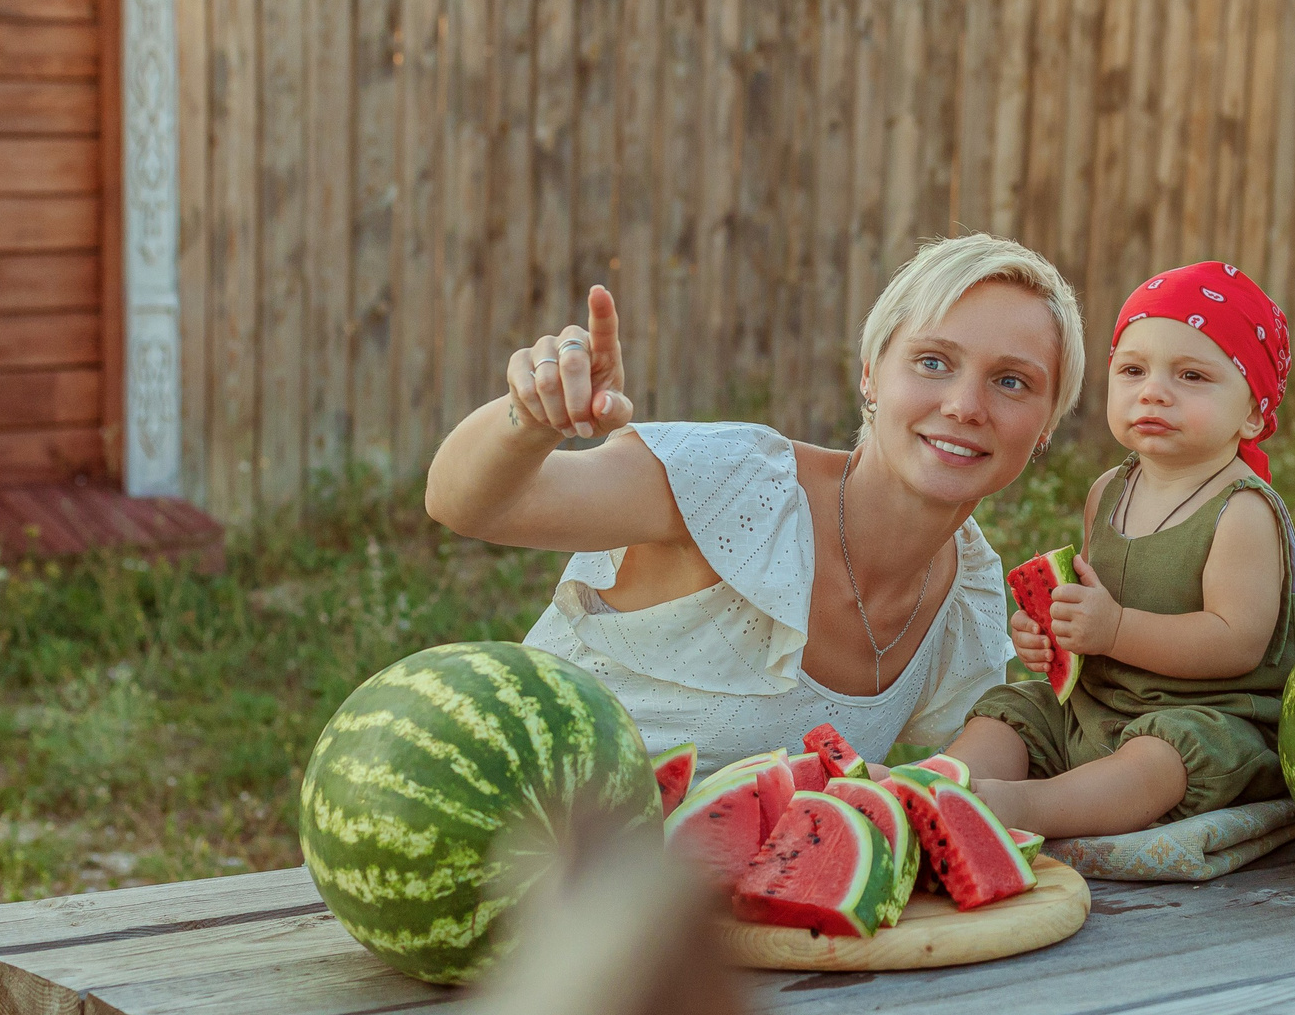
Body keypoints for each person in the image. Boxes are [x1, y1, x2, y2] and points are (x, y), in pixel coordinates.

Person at [424, 235, 1084, 774]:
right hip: (489, 838)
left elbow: (975, 764)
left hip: (699, 929)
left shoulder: (964, 598)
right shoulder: (743, 485)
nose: (966, 405)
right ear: (870, 375)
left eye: (1011, 380)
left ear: (1048, 422)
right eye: (934, 362)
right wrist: (532, 416)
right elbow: (469, 504)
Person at [945, 262, 1295, 839]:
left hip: (1204, 717)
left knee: (1158, 759)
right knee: (1012, 710)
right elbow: (1096, 608)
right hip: (1097, 701)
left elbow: (1237, 642)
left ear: (1253, 412)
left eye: (1192, 376)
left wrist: (1115, 629)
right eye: (1133, 370)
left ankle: (1019, 810)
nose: (1153, 391)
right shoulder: (1109, 490)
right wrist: (1051, 634)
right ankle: (938, 787)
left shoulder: (1242, 511)